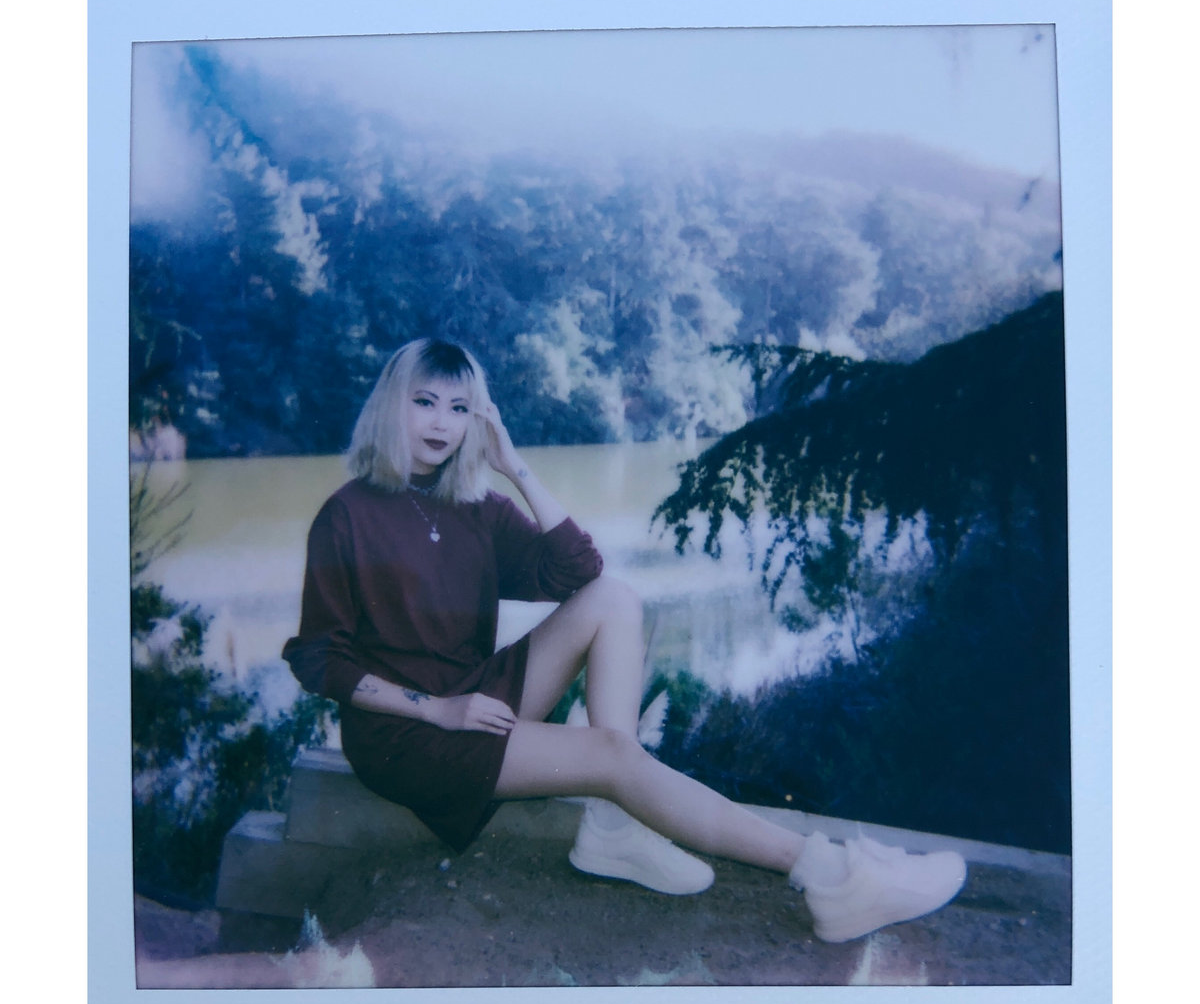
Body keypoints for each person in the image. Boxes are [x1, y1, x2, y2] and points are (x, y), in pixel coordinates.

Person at [283, 338, 966, 943]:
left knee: (612, 599)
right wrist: (436, 709)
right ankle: (830, 876)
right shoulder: (346, 516)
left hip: (475, 698)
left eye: (459, 409)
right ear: (392, 406)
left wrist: (515, 468)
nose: (441, 423)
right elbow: (320, 660)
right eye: (425, 402)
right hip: (407, 735)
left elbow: (579, 570)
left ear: (477, 421)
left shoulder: (478, 508)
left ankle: (616, 824)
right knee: (611, 753)